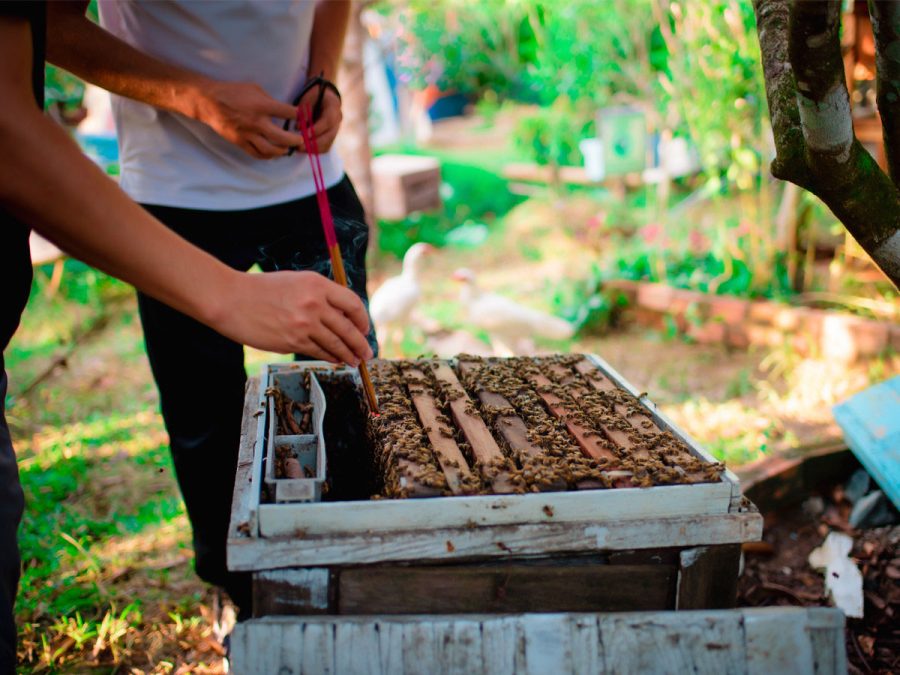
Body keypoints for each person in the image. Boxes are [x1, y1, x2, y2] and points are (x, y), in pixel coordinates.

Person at [0, 3, 373, 669]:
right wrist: (196, 98)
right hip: (176, 195)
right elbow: (47, 22)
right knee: (207, 425)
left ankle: (344, 575)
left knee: (341, 405)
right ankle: (239, 589)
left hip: (309, 177)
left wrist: (324, 76)